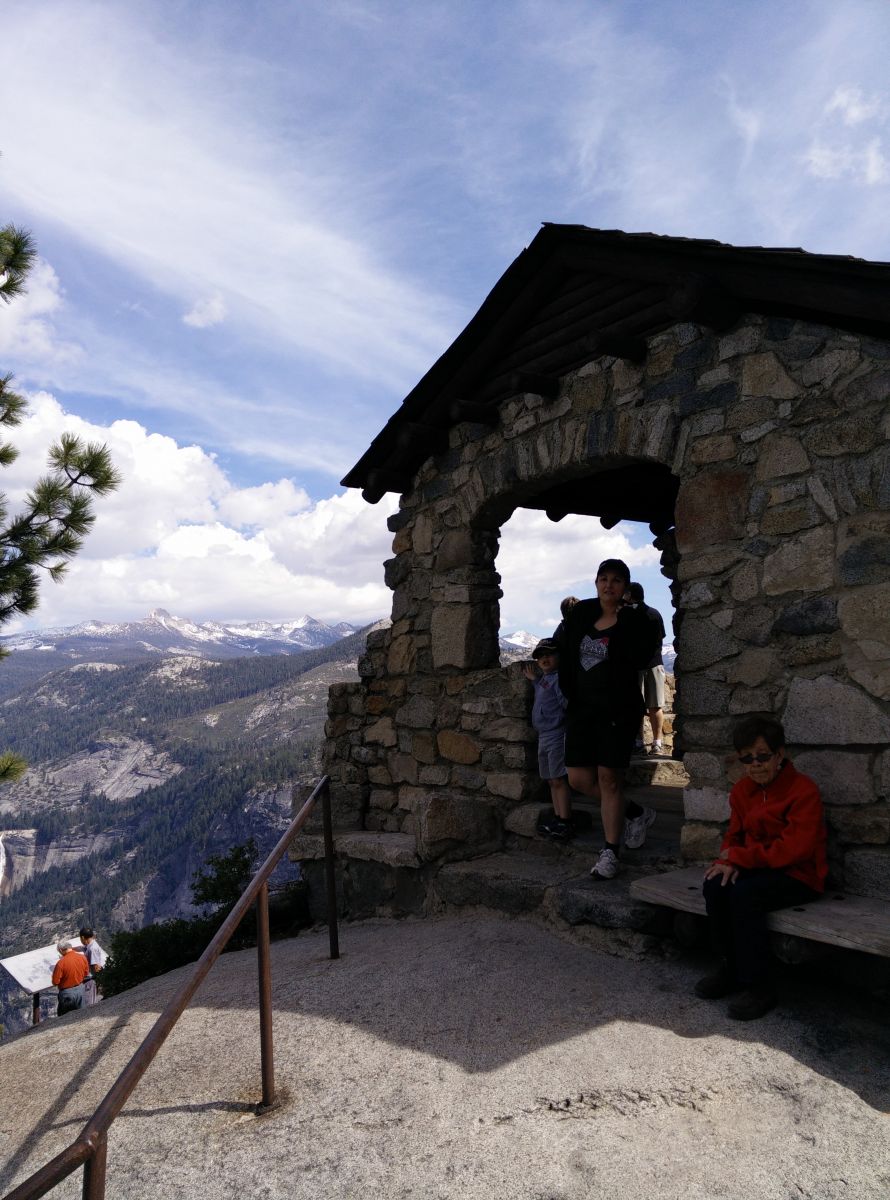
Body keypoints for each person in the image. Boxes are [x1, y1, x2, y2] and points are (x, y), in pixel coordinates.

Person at [696, 716, 827, 1021]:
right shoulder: (743, 791)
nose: (756, 764)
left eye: (763, 756)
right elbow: (735, 835)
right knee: (715, 885)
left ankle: (759, 986)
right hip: (759, 865)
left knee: (745, 894)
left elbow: (796, 848)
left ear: (779, 755)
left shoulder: (803, 790)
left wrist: (741, 858)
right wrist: (726, 861)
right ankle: (730, 968)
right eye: (747, 758)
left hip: (799, 874)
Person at [554, 559, 661, 880]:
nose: (608, 585)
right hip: (582, 710)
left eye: (616, 580)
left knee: (609, 779)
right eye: (603, 579)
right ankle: (635, 813)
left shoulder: (634, 620)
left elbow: (646, 653)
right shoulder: (582, 616)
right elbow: (563, 650)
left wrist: (636, 610)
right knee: (577, 779)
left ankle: (610, 852)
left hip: (617, 711)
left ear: (625, 586)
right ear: (596, 582)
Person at [522, 638, 571, 841]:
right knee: (552, 780)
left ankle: (565, 821)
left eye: (549, 654)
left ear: (559, 656)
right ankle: (558, 816)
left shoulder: (560, 679)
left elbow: (565, 703)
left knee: (559, 779)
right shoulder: (545, 679)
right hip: (544, 734)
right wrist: (534, 680)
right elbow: (543, 689)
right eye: (541, 656)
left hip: (557, 733)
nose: (544, 658)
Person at [627, 582, 667, 756]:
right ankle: (657, 743)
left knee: (635, 707)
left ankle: (638, 743)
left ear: (629, 594)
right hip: (654, 663)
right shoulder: (654, 613)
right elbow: (661, 636)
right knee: (655, 705)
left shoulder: (626, 615)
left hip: (636, 666)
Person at [51, 939, 91, 1016]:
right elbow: (86, 973)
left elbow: (55, 982)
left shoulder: (61, 963)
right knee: (81, 1014)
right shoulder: (82, 957)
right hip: (80, 990)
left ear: (60, 950)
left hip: (67, 993)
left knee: (65, 1017)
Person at [77, 926, 106, 1006]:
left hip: (90, 980)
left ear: (82, 937)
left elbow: (96, 967)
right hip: (90, 979)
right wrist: (70, 949)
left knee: (89, 1004)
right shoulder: (90, 944)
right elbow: (82, 948)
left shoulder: (92, 949)